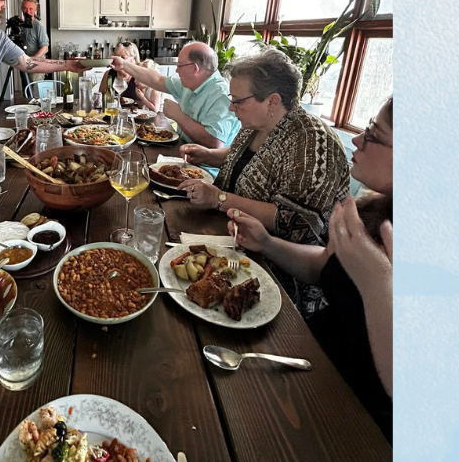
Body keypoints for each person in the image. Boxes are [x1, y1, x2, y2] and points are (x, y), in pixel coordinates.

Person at [227, 96, 393, 442]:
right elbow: (325, 267)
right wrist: (268, 244)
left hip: (353, 421)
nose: (358, 139)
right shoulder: (377, 208)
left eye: (374, 134)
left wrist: (379, 285)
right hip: (310, 362)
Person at [177, 47, 349, 318]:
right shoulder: (257, 126)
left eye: (238, 101)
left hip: (276, 278)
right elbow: (247, 162)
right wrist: (210, 155)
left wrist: (220, 199)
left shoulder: (311, 142)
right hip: (234, 248)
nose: (232, 108)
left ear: (272, 101)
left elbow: (296, 221)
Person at [109, 42, 240, 152]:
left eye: (180, 65)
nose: (177, 70)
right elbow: (157, 80)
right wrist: (124, 65)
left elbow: (214, 144)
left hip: (204, 170)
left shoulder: (221, 94)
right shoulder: (190, 83)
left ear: (195, 69)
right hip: (182, 151)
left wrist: (178, 116)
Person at [99, 42, 162, 111]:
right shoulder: (109, 74)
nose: (118, 60)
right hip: (113, 113)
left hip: (135, 116)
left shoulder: (140, 75)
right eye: (116, 56)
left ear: (133, 59)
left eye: (123, 57)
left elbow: (145, 103)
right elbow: (101, 98)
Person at [6, 0, 50, 86]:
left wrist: (31, 60)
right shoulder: (20, 25)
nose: (28, 11)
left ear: (35, 10)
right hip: (24, 64)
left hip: (37, 64)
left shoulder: (38, 26)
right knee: (26, 91)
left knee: (36, 94)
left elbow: (45, 48)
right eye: (25, 8)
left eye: (31, 9)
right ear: (22, 9)